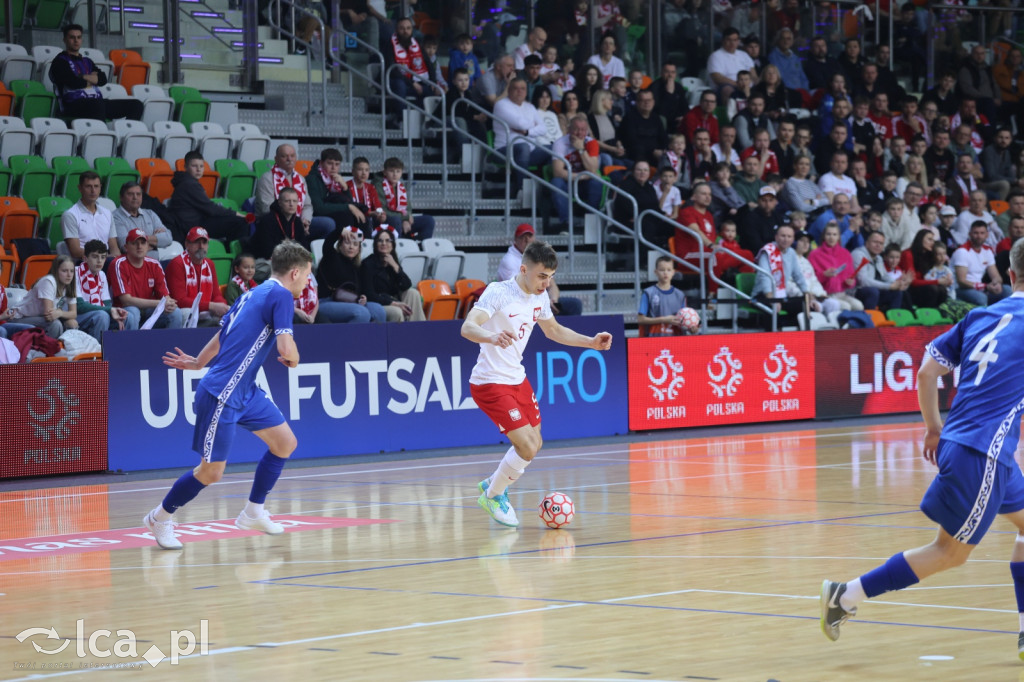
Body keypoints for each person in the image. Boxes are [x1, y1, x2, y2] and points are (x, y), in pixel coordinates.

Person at [820, 238, 1024, 650]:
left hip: (966, 444)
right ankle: (845, 596)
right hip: (982, 453)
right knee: (950, 552)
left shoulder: (980, 315)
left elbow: (927, 374)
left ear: (1011, 275)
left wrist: (933, 428)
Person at [143, 241, 313, 550]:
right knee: (211, 472)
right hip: (223, 393)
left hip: (245, 390)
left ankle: (253, 511)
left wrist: (198, 363)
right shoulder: (281, 297)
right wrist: (296, 357)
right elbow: (287, 350)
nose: (307, 282)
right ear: (295, 272)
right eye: (307, 276)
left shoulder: (254, 292)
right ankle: (160, 517)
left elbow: (222, 335)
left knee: (285, 442)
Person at [462, 240, 612, 527]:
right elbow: (467, 327)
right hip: (490, 382)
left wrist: (591, 343)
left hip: (517, 378)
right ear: (523, 269)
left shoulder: (539, 298)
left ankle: (493, 483)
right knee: (528, 447)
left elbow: (554, 330)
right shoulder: (499, 292)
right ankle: (493, 496)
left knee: (536, 441)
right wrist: (490, 336)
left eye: (551, 277)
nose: (547, 283)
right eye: (542, 275)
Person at [48, 24, 143, 121]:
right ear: (65, 40)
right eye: (72, 37)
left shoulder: (87, 61)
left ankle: (124, 134)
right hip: (72, 104)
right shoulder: (59, 61)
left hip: (96, 102)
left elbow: (103, 79)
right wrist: (92, 79)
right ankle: (102, 134)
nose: (76, 40)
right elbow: (73, 83)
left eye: (79, 37)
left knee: (136, 105)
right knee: (98, 105)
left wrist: (83, 76)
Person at [497, 223, 582, 317]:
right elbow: (518, 291)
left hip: (539, 299)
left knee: (575, 305)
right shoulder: (509, 260)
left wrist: (553, 300)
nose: (527, 240)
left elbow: (552, 284)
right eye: (523, 237)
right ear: (516, 239)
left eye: (530, 236)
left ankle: (556, 330)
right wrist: (543, 301)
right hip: (517, 303)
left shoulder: (536, 256)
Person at [255, 144, 334, 240]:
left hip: (299, 221)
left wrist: (306, 221)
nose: (289, 159)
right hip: (275, 222)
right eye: (284, 156)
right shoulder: (267, 178)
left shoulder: (300, 179)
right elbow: (266, 208)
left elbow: (307, 205)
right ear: (276, 159)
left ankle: (308, 248)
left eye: (292, 156)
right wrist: (295, 222)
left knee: (328, 224)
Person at [17, 255, 104, 339]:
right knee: (55, 324)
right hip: (21, 318)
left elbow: (73, 313)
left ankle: (90, 350)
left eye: (71, 271)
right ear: (56, 271)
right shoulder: (48, 281)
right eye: (64, 271)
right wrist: (64, 317)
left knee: (78, 321)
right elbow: (49, 315)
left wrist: (60, 313)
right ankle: (52, 351)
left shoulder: (70, 283)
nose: (69, 275)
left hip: (43, 318)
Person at [110, 228, 183, 329]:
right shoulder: (119, 263)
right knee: (133, 312)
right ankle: (132, 344)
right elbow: (126, 300)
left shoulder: (155, 264)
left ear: (148, 246)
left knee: (176, 313)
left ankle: (171, 344)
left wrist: (168, 303)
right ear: (126, 247)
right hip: (123, 310)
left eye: (143, 243)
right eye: (135, 243)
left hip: (149, 310)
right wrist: (159, 303)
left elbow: (165, 296)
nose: (139, 246)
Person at [170, 151, 248, 243]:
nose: (198, 169)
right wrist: (235, 213)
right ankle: (239, 254)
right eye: (194, 166)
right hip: (193, 226)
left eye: (201, 166)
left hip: (197, 221)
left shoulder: (187, 181)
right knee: (240, 223)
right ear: (186, 167)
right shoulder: (189, 184)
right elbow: (211, 209)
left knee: (234, 222)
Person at [315, 225, 387, 323]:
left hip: (350, 302)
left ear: (359, 249)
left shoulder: (357, 266)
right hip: (327, 301)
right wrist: (340, 231)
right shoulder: (332, 257)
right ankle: (348, 338)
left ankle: (374, 338)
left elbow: (359, 289)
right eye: (347, 242)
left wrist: (363, 297)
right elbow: (327, 244)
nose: (351, 247)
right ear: (340, 245)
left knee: (378, 310)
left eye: (355, 244)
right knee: (361, 313)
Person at [493, 77, 550, 196]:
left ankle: (547, 190)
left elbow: (543, 128)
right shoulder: (501, 105)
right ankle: (522, 190)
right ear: (509, 90)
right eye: (516, 88)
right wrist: (533, 125)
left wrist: (527, 132)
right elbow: (520, 124)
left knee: (553, 149)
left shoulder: (530, 107)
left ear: (526, 91)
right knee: (522, 146)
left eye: (523, 89)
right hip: (504, 150)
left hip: (530, 151)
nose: (520, 91)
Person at [750, 223, 818, 322]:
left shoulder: (791, 252)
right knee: (774, 311)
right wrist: (772, 299)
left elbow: (798, 275)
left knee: (809, 307)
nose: (786, 239)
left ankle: (795, 335)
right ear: (776, 237)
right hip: (763, 295)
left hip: (781, 295)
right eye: (783, 236)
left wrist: (808, 295)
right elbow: (765, 276)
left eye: (789, 236)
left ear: (793, 239)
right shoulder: (768, 251)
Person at [165, 226, 230, 326]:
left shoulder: (210, 264)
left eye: (204, 243)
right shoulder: (177, 264)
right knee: (187, 312)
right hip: (183, 311)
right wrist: (211, 306)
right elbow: (179, 301)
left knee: (228, 313)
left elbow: (216, 295)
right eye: (196, 242)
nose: (201, 246)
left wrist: (222, 306)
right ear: (187, 244)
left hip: (205, 311)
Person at [360, 226, 425, 322]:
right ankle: (400, 336)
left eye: (388, 240)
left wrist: (395, 267)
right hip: (378, 303)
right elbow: (369, 294)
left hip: (393, 299)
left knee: (413, 293)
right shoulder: (368, 264)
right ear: (375, 244)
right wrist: (393, 303)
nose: (384, 244)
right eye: (380, 241)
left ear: (393, 244)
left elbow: (406, 285)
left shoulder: (393, 261)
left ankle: (418, 330)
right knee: (397, 311)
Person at [551, 115, 602, 229]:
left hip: (583, 184)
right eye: (576, 129)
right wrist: (583, 176)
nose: (580, 133)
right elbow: (557, 172)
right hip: (567, 182)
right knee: (556, 182)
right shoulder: (559, 143)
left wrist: (580, 149)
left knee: (596, 183)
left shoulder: (592, 143)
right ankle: (566, 223)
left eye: (583, 130)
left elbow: (593, 169)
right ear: (569, 130)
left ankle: (591, 223)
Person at [76, 239, 137, 333]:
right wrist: (110, 310)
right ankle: (99, 347)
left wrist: (112, 311)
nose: (99, 261)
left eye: (103, 257)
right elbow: (79, 306)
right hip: (78, 316)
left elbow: (107, 303)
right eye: (95, 257)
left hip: (99, 313)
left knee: (128, 316)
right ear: (85, 258)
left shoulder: (102, 275)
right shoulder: (75, 273)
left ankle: (127, 346)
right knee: (102, 315)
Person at [113, 182, 182, 261]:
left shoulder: (150, 213)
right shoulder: (115, 217)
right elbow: (126, 247)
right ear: (121, 197)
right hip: (133, 266)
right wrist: (156, 242)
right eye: (130, 194)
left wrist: (138, 241)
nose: (135, 197)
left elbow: (168, 238)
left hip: (156, 263)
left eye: (138, 194)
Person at [306, 148, 369, 233]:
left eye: (337, 164)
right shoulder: (312, 179)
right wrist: (348, 207)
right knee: (346, 216)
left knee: (362, 218)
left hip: (331, 212)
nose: (333, 168)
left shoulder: (336, 179)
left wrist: (345, 188)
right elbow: (318, 208)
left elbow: (349, 201)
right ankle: (342, 244)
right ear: (321, 163)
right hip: (315, 215)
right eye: (329, 163)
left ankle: (362, 244)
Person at [61, 171, 119, 260]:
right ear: (80, 188)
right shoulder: (70, 215)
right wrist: (102, 257)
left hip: (106, 260)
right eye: (88, 186)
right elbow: (75, 251)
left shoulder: (107, 213)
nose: (93, 191)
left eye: (96, 186)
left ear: (100, 188)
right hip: (84, 262)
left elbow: (114, 248)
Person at [373, 157, 435, 241]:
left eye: (398, 171)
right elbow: (382, 210)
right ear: (385, 172)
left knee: (428, 220)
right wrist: (404, 218)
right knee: (396, 220)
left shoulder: (400, 186)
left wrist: (406, 218)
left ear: (401, 173)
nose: (395, 174)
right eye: (391, 171)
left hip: (400, 219)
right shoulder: (378, 186)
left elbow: (408, 207)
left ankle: (420, 246)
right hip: (385, 220)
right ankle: (399, 247)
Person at [808, 222, 864, 311]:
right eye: (828, 234)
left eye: (834, 234)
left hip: (842, 294)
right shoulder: (814, 254)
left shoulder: (845, 253)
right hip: (824, 295)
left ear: (838, 237)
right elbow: (809, 279)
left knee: (859, 306)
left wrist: (851, 282)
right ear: (823, 236)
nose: (831, 237)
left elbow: (851, 277)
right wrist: (824, 275)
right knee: (846, 307)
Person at [952, 221, 1011, 306]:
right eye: (975, 233)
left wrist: (995, 284)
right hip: (961, 289)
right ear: (970, 234)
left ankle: (1007, 318)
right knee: (981, 297)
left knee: (1007, 289)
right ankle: (984, 319)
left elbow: (996, 276)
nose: (979, 236)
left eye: (982, 233)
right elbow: (961, 281)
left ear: (987, 235)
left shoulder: (987, 251)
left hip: (980, 288)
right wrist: (985, 287)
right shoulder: (962, 251)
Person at [851, 230, 909, 311]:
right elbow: (863, 281)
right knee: (873, 291)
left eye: (881, 243)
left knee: (897, 292)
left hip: (875, 290)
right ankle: (869, 320)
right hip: (856, 291)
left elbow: (884, 276)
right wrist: (889, 286)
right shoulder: (858, 254)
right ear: (867, 243)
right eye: (875, 242)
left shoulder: (879, 258)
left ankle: (893, 319)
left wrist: (898, 284)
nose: (878, 245)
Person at [386, 18, 428, 127]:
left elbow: (427, 64)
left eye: (408, 28)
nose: (405, 31)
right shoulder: (390, 44)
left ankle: (425, 122)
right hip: (394, 81)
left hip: (413, 82)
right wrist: (412, 83)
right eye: (402, 28)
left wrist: (435, 82)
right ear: (396, 30)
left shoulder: (417, 45)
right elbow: (393, 70)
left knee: (430, 89)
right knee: (400, 85)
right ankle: (402, 119)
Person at [638, 255, 692, 336]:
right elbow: (640, 319)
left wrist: (692, 327)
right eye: (662, 270)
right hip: (654, 339)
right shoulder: (648, 293)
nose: (665, 273)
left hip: (676, 339)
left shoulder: (680, 295)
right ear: (656, 272)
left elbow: (684, 319)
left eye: (669, 270)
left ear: (673, 272)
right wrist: (664, 319)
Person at [251, 187, 309, 261]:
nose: (291, 204)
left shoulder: (297, 222)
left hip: (289, 261)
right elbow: (266, 251)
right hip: (265, 261)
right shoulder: (267, 221)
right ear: (279, 203)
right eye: (287, 201)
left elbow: (304, 248)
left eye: (294, 201)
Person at [707, 28, 756, 105]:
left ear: (739, 41)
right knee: (727, 89)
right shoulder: (716, 56)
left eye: (735, 40)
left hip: (747, 86)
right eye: (729, 40)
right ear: (723, 40)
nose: (732, 43)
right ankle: (733, 115)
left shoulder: (744, 55)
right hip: (727, 87)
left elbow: (753, 75)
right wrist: (739, 85)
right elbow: (717, 78)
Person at [619, 89, 667, 166]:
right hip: (636, 158)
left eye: (649, 100)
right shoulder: (629, 118)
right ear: (637, 102)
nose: (647, 102)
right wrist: (653, 151)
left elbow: (663, 138)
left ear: (653, 102)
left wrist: (662, 151)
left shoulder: (656, 118)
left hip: (657, 155)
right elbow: (632, 142)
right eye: (643, 100)